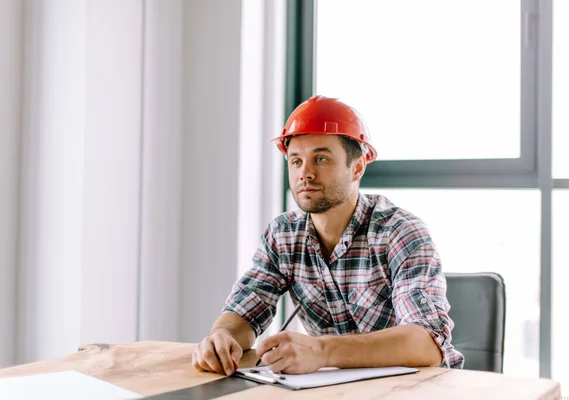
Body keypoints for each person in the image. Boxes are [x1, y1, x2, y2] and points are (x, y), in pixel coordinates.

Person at [192, 95, 464, 376]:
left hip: (417, 389)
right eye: (296, 161)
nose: (305, 173)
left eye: (320, 159)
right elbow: (246, 310)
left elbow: (428, 345)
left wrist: (321, 351)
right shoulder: (283, 234)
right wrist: (222, 337)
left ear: (357, 167)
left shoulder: (399, 231)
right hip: (333, 388)